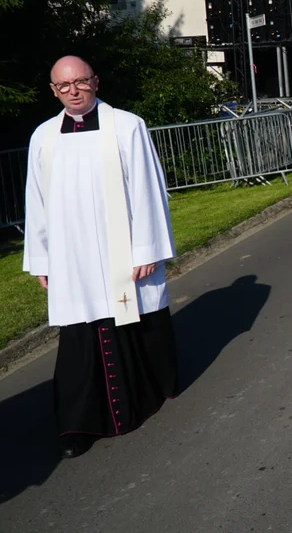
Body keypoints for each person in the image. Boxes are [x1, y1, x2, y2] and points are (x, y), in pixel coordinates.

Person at [22, 56, 178, 459]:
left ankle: (139, 400)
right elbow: (36, 202)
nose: (73, 91)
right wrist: (41, 259)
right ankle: (78, 423)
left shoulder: (126, 125)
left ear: (96, 80)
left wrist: (146, 248)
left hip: (119, 249)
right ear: (53, 91)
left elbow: (147, 187)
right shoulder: (43, 136)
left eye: (80, 82)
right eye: (63, 85)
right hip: (72, 258)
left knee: (129, 321)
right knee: (78, 335)